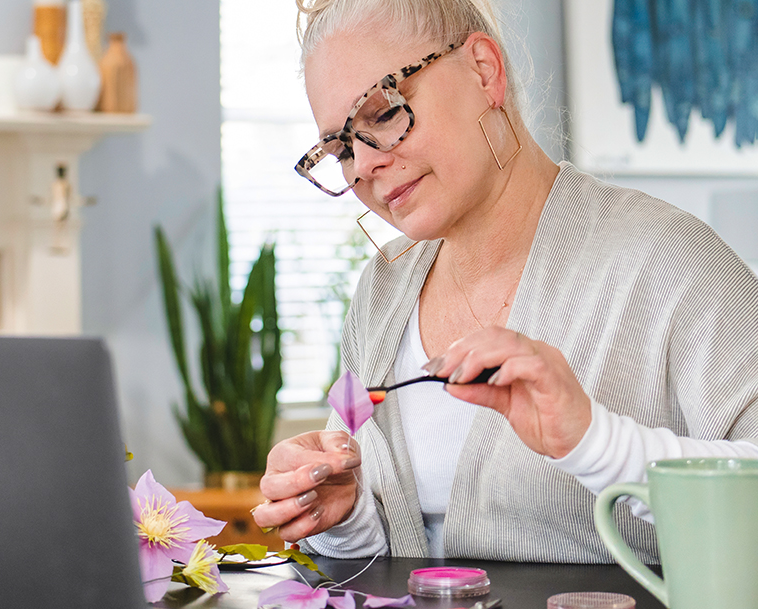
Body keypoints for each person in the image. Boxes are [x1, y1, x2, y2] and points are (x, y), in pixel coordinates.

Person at [251, 0, 758, 563]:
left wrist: (595, 442)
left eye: (383, 113)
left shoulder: (668, 259)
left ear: (484, 70)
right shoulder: (382, 290)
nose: (363, 166)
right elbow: (403, 565)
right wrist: (344, 518)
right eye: (341, 148)